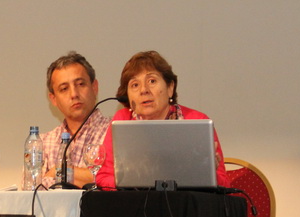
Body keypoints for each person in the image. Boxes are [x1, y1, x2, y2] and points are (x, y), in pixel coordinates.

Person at [95, 51, 228, 189]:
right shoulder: (122, 120)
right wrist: (134, 183)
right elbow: (102, 177)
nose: (144, 90)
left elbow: (224, 184)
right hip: (136, 201)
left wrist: (208, 175)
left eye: (152, 81)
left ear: (170, 88)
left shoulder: (197, 121)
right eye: (135, 85)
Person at [39, 52, 111, 189]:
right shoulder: (42, 143)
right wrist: (85, 177)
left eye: (80, 84)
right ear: (53, 99)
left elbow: (113, 181)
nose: (74, 94)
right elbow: (33, 188)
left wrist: (58, 172)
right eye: (64, 89)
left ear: (94, 87)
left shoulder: (115, 132)